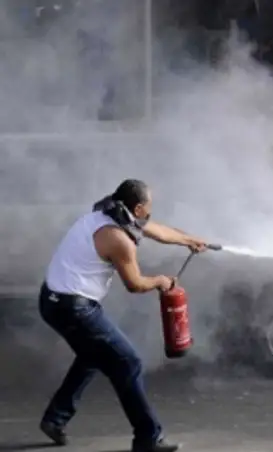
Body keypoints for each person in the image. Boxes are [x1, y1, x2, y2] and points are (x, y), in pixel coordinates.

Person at [38, 179, 210, 452]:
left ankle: (55, 419)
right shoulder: (118, 239)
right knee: (128, 362)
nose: (151, 211)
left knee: (92, 355)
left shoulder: (106, 213)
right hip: (73, 308)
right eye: (149, 206)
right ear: (138, 208)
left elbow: (156, 230)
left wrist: (189, 240)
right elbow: (135, 284)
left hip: (51, 299)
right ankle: (147, 438)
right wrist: (161, 281)